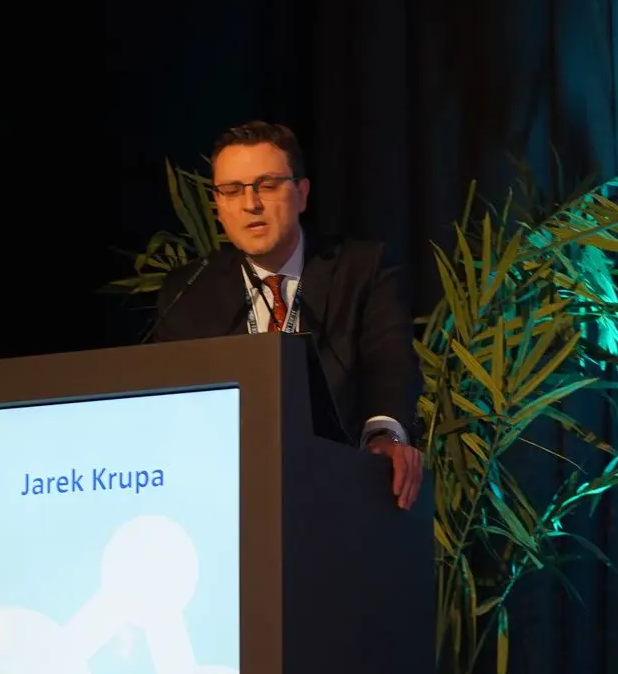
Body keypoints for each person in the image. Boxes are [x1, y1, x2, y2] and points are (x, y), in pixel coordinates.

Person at [151, 121, 423, 510]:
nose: (251, 204)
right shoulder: (188, 292)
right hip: (225, 498)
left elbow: (390, 365)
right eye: (232, 190)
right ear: (219, 206)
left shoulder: (363, 269)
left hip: (338, 494)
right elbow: (172, 403)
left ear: (302, 193)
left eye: (267, 185)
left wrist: (385, 435)